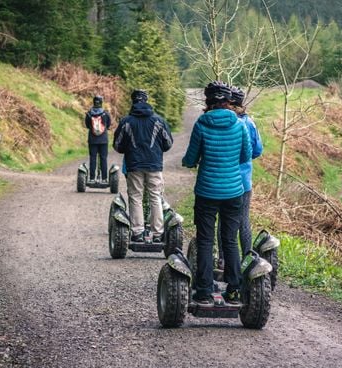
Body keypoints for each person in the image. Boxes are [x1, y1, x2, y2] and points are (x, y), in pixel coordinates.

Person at [182, 81, 252, 306]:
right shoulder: (240, 124)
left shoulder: (201, 124)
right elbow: (245, 156)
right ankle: (233, 290)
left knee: (205, 240)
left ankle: (203, 292)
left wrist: (189, 162)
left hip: (207, 192)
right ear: (229, 101)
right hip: (233, 192)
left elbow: (191, 158)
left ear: (208, 101)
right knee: (229, 240)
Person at [113, 89, 173, 243]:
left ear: (133, 102)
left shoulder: (126, 122)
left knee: (135, 197)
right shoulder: (159, 121)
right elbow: (168, 143)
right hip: (154, 164)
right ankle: (158, 233)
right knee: (155, 197)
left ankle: (138, 232)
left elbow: (117, 145)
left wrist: (129, 149)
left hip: (134, 165)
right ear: (146, 101)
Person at [217, 86, 264, 267]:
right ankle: (247, 259)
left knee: (223, 219)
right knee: (243, 219)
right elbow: (257, 150)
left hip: (224, 179)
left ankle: (222, 259)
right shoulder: (249, 122)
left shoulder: (225, 122)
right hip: (244, 181)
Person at [84, 95, 111, 183]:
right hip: (103, 139)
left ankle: (92, 178)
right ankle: (104, 178)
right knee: (103, 158)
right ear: (101, 102)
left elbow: (88, 125)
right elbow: (108, 125)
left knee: (93, 158)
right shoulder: (105, 113)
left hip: (92, 139)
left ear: (93, 102)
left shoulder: (89, 114)